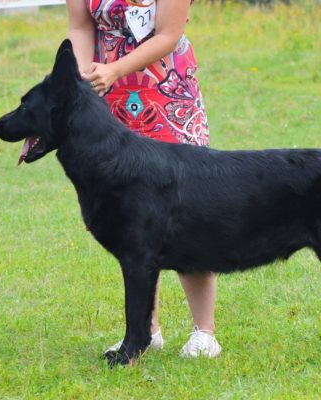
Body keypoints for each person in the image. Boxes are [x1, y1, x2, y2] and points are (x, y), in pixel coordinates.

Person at [66, 0, 221, 357]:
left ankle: (205, 332)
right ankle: (145, 331)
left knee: (188, 217)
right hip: (108, 99)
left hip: (166, 94)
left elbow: (168, 34)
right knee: (131, 224)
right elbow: (80, 26)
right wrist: (80, 80)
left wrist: (114, 69)